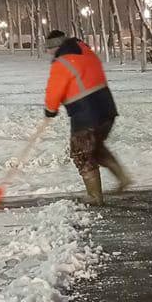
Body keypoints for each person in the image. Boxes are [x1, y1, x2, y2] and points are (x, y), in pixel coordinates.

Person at [44, 29, 131, 204]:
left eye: (49, 48)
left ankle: (94, 196)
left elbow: (54, 91)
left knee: (81, 153)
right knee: (95, 147)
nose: (48, 52)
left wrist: (50, 110)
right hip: (107, 110)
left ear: (55, 47)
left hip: (86, 114)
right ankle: (123, 178)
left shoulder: (62, 61)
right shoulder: (85, 51)